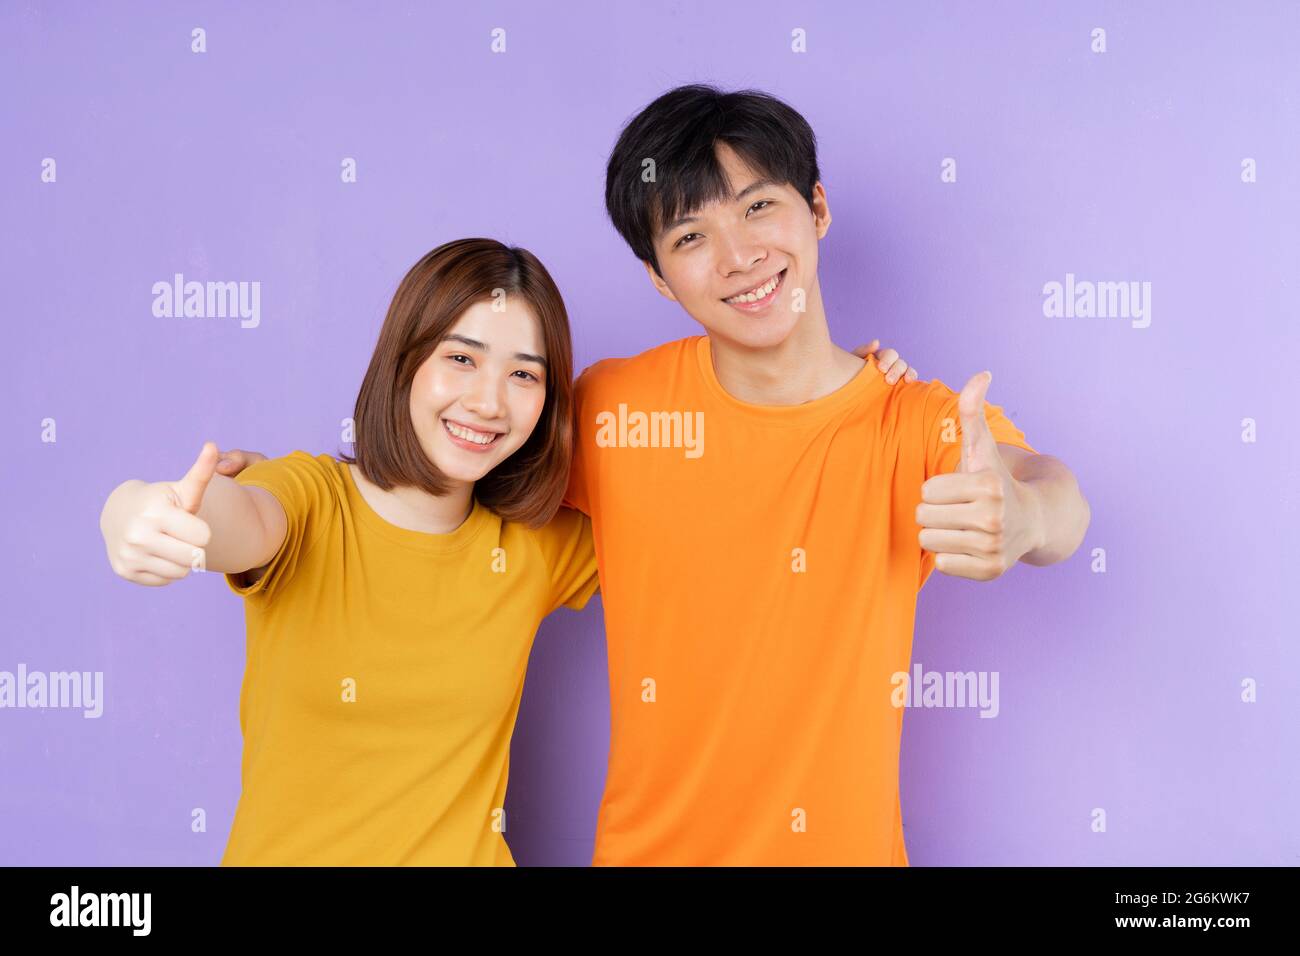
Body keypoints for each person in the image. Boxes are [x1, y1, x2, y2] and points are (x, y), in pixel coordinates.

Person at [101, 236, 921, 865]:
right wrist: (138, 513)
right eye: (461, 358)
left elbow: (728, 520)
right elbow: (226, 513)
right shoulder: (312, 501)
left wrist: (839, 391)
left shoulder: (530, 547)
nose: (489, 401)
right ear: (404, 361)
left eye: (526, 375)